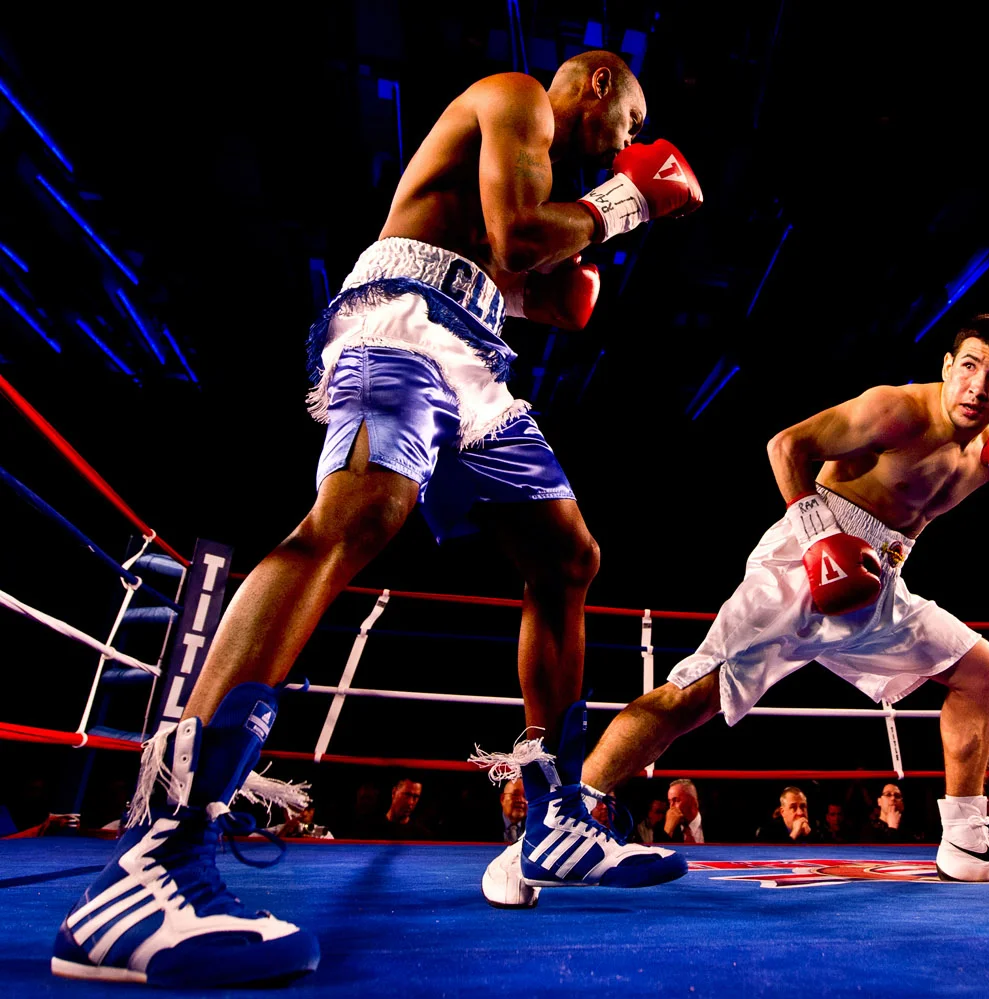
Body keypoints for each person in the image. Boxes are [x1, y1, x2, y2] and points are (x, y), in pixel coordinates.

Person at [54, 51, 702, 985]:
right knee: (356, 515)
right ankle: (153, 854)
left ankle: (555, 820)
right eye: (632, 120)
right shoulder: (518, 101)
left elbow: (536, 288)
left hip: (476, 357)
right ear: (598, 84)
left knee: (567, 556)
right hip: (400, 320)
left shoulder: (529, 174)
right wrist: (631, 200)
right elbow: (521, 239)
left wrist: (578, 255)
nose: (631, 142)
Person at [579, 314, 989, 884]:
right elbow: (787, 446)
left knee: (981, 670)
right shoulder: (898, 410)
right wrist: (819, 539)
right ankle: (568, 816)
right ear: (948, 366)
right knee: (692, 696)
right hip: (808, 558)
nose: (978, 387)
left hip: (882, 579)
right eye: (970, 366)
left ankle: (967, 842)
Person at [756, 787, 823, 843]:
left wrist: (809, 835)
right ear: (782, 812)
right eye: (793, 807)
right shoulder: (768, 832)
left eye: (803, 806)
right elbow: (776, 856)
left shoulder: (817, 829)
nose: (800, 813)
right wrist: (794, 833)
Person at [661, 779, 706, 844]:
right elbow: (658, 851)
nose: (671, 807)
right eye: (669, 801)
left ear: (693, 801)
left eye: (676, 800)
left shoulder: (718, 825)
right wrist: (668, 831)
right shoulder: (661, 827)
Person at [500, 778, 527, 843]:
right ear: (502, 799)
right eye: (515, 795)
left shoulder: (535, 827)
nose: (521, 800)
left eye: (526, 796)